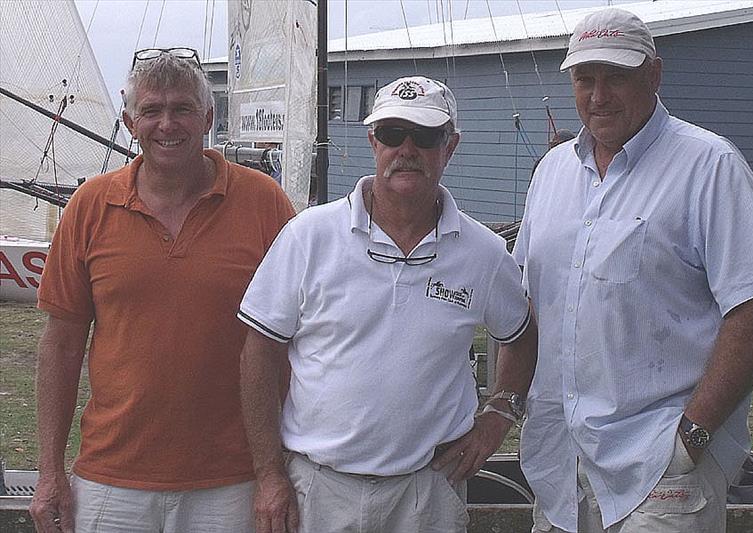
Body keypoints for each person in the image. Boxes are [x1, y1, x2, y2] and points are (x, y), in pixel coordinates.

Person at [513, 8, 753, 532]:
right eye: (585, 78)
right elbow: (527, 301)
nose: (598, 96)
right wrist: (508, 404)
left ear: (654, 75)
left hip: (663, 467)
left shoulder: (708, 166)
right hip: (561, 467)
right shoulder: (551, 172)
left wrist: (696, 433)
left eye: (616, 76)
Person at [237, 75, 538, 533]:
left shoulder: (484, 254)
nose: (407, 149)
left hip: (427, 494)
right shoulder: (307, 236)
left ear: (450, 146)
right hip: (318, 488)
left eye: (425, 135)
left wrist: (498, 416)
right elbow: (258, 353)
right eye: (393, 134)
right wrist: (269, 474)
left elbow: (521, 334)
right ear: (373, 142)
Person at [29, 48, 295, 533]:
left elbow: (298, 339)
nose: (166, 124)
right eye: (152, 110)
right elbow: (61, 346)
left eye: (182, 109)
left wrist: (275, 471)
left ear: (208, 117)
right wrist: (49, 472)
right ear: (131, 121)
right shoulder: (91, 206)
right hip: (112, 480)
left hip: (233, 482)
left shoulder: (264, 204)